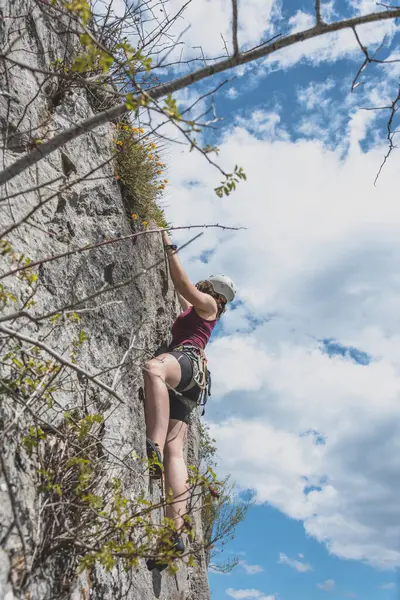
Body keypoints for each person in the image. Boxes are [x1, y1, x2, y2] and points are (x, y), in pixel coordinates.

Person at [143, 229, 237, 568]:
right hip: (194, 381)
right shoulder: (199, 311)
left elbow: (184, 286)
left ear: (214, 291)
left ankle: (149, 447)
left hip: (185, 362)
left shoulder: (210, 304)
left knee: (154, 369)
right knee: (176, 450)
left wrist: (169, 245)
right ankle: (175, 531)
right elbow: (181, 292)